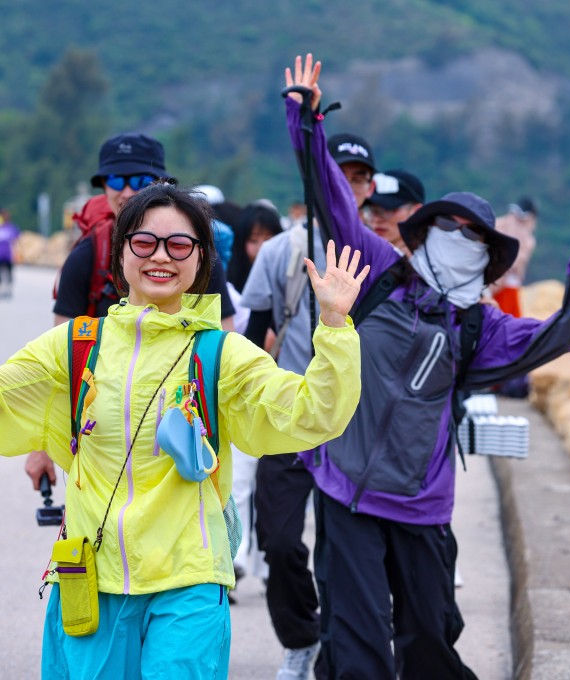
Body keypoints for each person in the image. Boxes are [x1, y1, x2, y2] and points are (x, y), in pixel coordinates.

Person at [0, 182, 368, 679]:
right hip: (92, 581)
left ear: (201, 259)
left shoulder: (222, 354)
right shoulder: (76, 347)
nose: (161, 257)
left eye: (179, 244)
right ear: (121, 254)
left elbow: (310, 414)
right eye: (144, 242)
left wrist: (335, 325)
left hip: (188, 581)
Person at [284, 53, 570, 679]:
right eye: (448, 228)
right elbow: (330, 201)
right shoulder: (376, 272)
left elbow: (558, 335)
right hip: (346, 492)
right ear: (425, 229)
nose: (457, 241)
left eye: (473, 236)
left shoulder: (479, 326)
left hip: (420, 505)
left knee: (431, 644)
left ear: (487, 257)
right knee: (356, 652)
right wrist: (305, 119)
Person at [239, 131, 377, 680]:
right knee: (278, 540)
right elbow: (253, 331)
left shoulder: (383, 254)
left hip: (358, 428)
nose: (347, 185)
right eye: (335, 173)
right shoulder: (282, 250)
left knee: (350, 548)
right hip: (289, 418)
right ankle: (301, 637)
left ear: (370, 188)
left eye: (358, 176)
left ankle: (346, 647)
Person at [30, 133, 237, 494]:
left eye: (140, 181)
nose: (127, 191)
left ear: (161, 185)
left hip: (183, 434)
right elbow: (58, 362)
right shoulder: (86, 256)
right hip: (103, 435)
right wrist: (41, 446)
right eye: (115, 180)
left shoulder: (195, 252)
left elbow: (226, 341)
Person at [222, 201, 284, 596]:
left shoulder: (290, 274)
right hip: (240, 394)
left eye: (268, 238)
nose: (260, 248)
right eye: (252, 240)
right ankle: (237, 558)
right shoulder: (227, 287)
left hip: (275, 393)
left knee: (268, 489)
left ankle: (256, 561)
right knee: (240, 481)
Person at [490, 196, 539, 317]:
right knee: (507, 323)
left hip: (491, 282)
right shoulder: (527, 238)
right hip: (506, 286)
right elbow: (515, 263)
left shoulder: (498, 224)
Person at [364, 169, 425, 256]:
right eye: (371, 210)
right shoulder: (358, 256)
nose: (377, 219)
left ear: (416, 211)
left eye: (387, 210)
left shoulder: (436, 261)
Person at [0, 208, 21, 300]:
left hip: (9, 254)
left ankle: (8, 289)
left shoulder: (12, 228)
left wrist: (17, 253)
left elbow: (17, 241)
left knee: (9, 272)